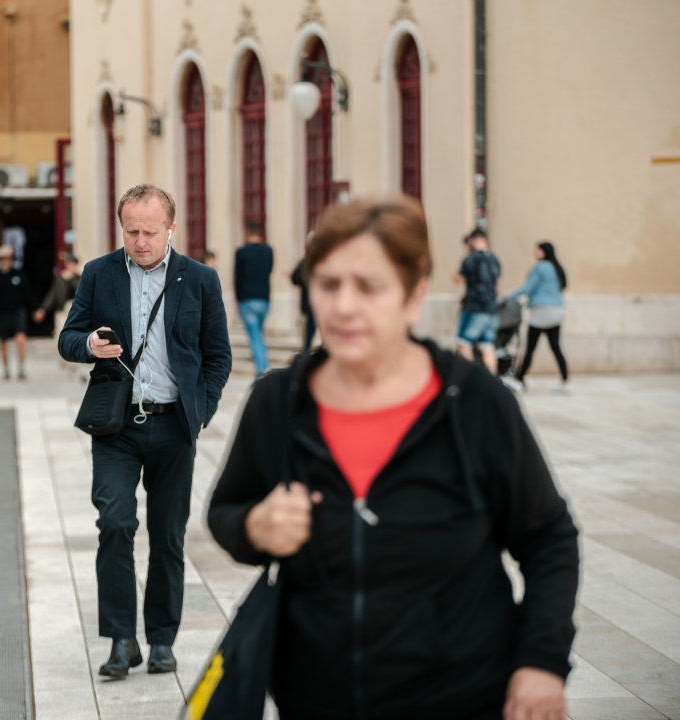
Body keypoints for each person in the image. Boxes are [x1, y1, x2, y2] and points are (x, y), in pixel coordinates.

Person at [208, 197, 579, 720]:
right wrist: (254, 526)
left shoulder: (474, 402)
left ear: (414, 295)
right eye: (328, 283)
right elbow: (225, 511)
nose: (343, 306)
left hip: (463, 699)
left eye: (369, 286)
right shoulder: (278, 402)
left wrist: (542, 662)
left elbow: (549, 538)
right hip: (316, 703)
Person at [58, 184, 232, 678]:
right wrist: (88, 344)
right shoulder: (99, 273)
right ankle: (121, 640)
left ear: (170, 228)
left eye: (150, 232)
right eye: (131, 231)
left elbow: (218, 356)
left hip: (174, 425)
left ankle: (161, 639)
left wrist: (201, 411)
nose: (140, 241)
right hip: (116, 426)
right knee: (115, 524)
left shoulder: (200, 279)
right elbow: (68, 338)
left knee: (168, 535)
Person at [504, 241, 569, 394]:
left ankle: (518, 381)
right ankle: (565, 382)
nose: (535, 253)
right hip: (557, 310)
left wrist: (508, 295)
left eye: (537, 250)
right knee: (556, 347)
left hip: (541, 311)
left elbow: (528, 288)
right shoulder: (557, 267)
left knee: (530, 348)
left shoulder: (539, 267)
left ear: (543, 252)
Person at [453, 228, 502, 374]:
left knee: (463, 344)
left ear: (473, 241)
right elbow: (497, 285)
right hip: (492, 308)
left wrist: (466, 255)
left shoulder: (470, 258)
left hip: (474, 307)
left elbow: (457, 278)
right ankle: (492, 382)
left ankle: (469, 379)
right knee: (487, 347)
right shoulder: (495, 258)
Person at [0, 245, 32, 380]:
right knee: (3, 342)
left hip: (17, 312)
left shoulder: (19, 274)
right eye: (3, 258)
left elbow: (27, 294)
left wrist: (35, 310)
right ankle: (5, 369)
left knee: (21, 339)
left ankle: (21, 367)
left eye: (8, 258)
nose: (6, 261)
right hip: (2, 313)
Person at [234, 221, 274, 376]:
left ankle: (262, 371)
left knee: (255, 337)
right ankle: (262, 365)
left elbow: (237, 278)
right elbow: (269, 271)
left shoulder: (242, 252)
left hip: (247, 300)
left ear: (247, 233)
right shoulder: (268, 251)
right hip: (264, 299)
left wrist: (237, 300)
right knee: (258, 335)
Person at [32, 252, 81, 327]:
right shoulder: (59, 279)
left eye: (75, 263)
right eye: (71, 263)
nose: (73, 265)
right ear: (66, 264)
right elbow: (52, 295)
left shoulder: (79, 279)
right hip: (63, 312)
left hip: (77, 312)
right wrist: (43, 309)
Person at [290, 238, 315, 352]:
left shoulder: (306, 262)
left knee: (307, 340)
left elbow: (296, 278)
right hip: (313, 305)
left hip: (309, 305)